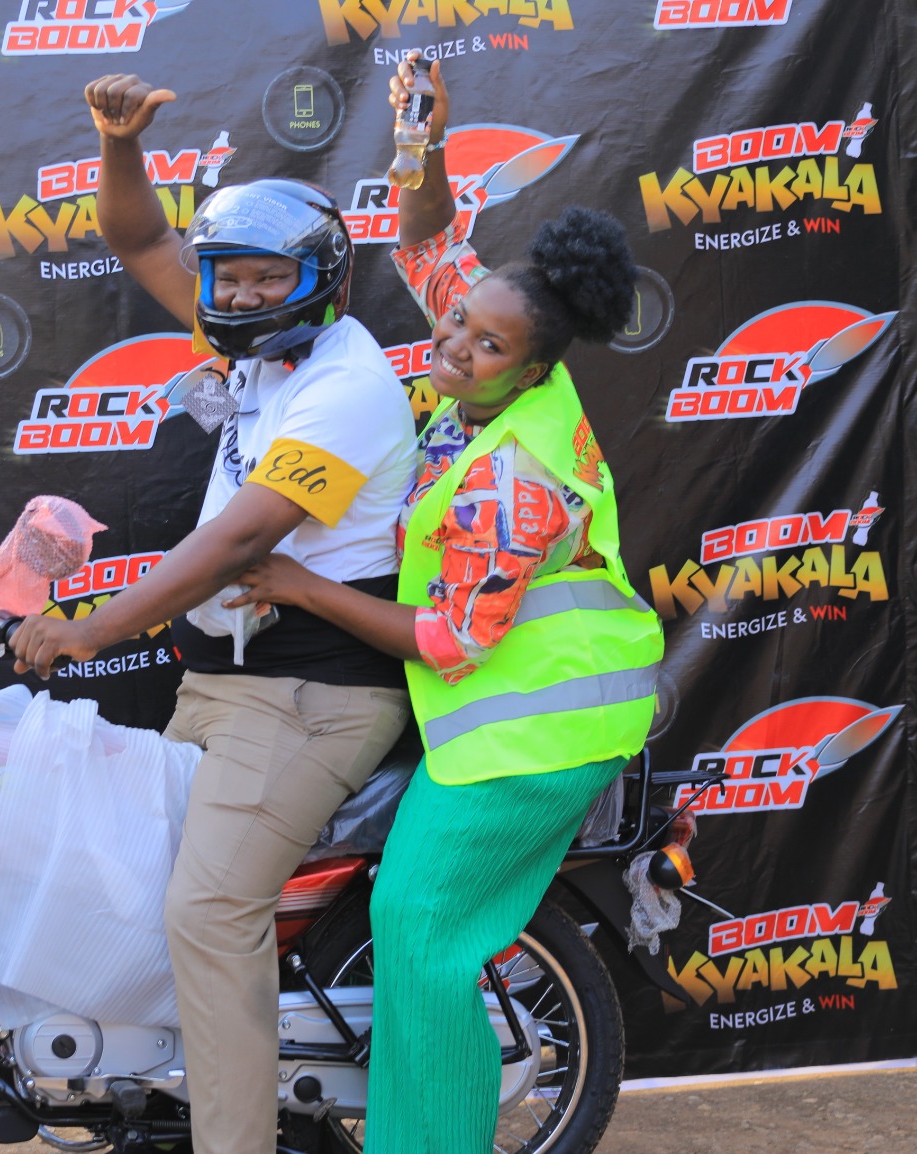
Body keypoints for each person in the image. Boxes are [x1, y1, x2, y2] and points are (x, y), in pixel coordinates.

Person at [224, 55, 664, 1154]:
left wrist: (295, 582)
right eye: (458, 325)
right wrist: (418, 136)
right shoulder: (498, 351)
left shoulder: (517, 477)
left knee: (420, 935)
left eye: (483, 345)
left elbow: (450, 640)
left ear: (533, 370)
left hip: (535, 730)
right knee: (417, 932)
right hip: (510, 717)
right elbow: (427, 238)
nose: (454, 346)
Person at [9, 75, 418, 1154]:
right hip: (225, 683)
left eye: (260, 277)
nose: (234, 296)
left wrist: (90, 629)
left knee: (204, 912)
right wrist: (118, 146)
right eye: (224, 279)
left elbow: (239, 540)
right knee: (140, 893)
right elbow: (141, 236)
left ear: (319, 281)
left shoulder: (345, 381)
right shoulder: (259, 345)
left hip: (310, 696)